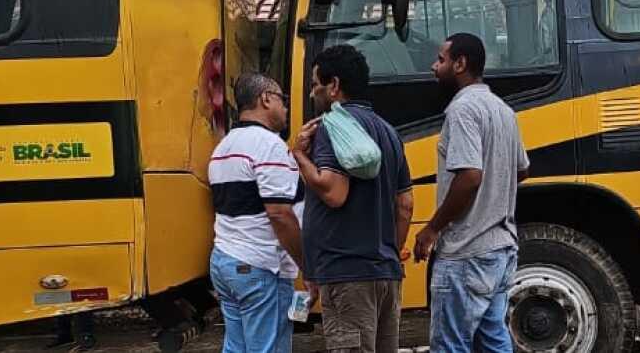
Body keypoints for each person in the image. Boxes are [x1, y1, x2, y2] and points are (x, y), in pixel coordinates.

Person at [292, 44, 414, 353]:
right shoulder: (389, 132)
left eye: (314, 85)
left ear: (333, 86)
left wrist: (298, 156)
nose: (311, 94)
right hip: (385, 274)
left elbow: (333, 193)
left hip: (347, 274)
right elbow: (405, 204)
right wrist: (389, 251)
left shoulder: (334, 127)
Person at [414, 32, 530, 352]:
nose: (434, 66)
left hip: (467, 252)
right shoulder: (502, 109)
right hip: (501, 250)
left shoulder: (462, 109)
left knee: (451, 345)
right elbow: (521, 169)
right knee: (493, 341)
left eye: (441, 59)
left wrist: (432, 229)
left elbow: (469, 176)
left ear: (460, 64)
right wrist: (493, 197)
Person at [207, 73, 305, 353]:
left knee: (237, 348)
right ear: (266, 99)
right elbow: (279, 214)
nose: (286, 108)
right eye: (282, 100)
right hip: (260, 266)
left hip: (226, 262)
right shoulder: (269, 145)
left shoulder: (223, 148)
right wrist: (306, 264)